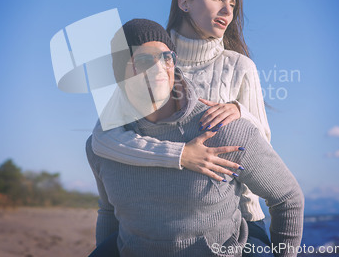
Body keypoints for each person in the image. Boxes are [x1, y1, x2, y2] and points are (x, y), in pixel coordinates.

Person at [86, 19, 304, 257]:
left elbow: (287, 198)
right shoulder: (106, 146)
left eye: (166, 57)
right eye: (144, 60)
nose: (159, 68)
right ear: (120, 74)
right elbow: (108, 211)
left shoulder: (223, 131)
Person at [92, 0, 273, 244]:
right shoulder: (150, 57)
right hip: (155, 217)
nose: (228, 10)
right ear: (184, 2)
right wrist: (180, 154)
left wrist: (241, 113)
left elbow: (263, 146)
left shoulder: (240, 67)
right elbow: (103, 139)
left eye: (232, 3)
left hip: (240, 217)